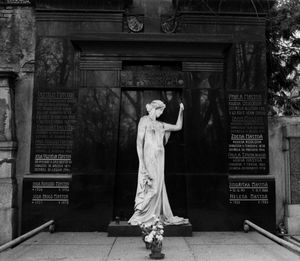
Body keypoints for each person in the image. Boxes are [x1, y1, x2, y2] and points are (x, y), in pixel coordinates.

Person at [128, 100, 189, 226]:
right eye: (160, 110)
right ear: (154, 108)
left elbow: (178, 126)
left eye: (162, 111)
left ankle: (152, 214)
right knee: (153, 188)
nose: (161, 113)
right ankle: (139, 213)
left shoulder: (161, 124)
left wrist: (181, 111)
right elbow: (139, 143)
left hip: (160, 159)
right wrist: (142, 162)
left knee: (158, 187)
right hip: (149, 158)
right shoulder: (144, 120)